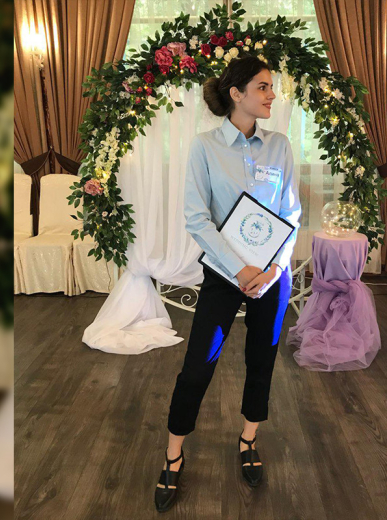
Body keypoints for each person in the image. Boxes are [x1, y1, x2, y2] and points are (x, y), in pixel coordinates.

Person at [154, 55, 301, 512]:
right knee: (198, 365)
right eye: (263, 87)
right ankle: (173, 453)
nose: (272, 95)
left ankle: (249, 438)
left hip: (272, 277)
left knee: (262, 360)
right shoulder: (204, 147)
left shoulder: (280, 146)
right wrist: (239, 269)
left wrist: (274, 269)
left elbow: (291, 213)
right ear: (236, 94)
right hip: (223, 273)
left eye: (271, 86)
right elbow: (197, 217)